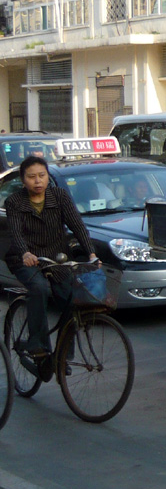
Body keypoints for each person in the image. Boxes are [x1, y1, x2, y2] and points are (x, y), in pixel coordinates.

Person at [4, 156, 99, 364]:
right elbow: (16, 234)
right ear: (23, 180)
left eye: (42, 176)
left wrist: (91, 253)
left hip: (56, 257)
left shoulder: (60, 196)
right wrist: (25, 253)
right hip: (26, 258)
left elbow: (77, 225)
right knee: (38, 288)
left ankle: (64, 356)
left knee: (70, 298)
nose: (37, 181)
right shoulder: (14, 202)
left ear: (48, 177)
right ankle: (37, 344)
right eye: (31, 177)